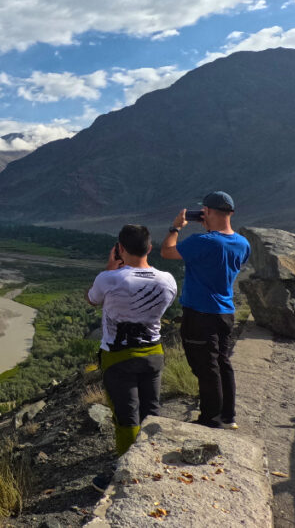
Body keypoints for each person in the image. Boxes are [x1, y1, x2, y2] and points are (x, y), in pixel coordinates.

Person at [87, 224, 177, 489]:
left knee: (126, 419)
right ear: (150, 248)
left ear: (120, 249)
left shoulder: (109, 279)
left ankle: (128, 476)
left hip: (118, 359)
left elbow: (92, 299)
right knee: (151, 414)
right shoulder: (167, 280)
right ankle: (151, 465)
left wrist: (109, 267)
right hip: (154, 355)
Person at [160, 190, 250, 429]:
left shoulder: (203, 242)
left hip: (200, 314)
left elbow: (167, 251)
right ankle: (228, 416)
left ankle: (210, 420)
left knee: (206, 367)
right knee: (222, 362)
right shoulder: (243, 243)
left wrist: (175, 227)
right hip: (225, 312)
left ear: (207, 211)